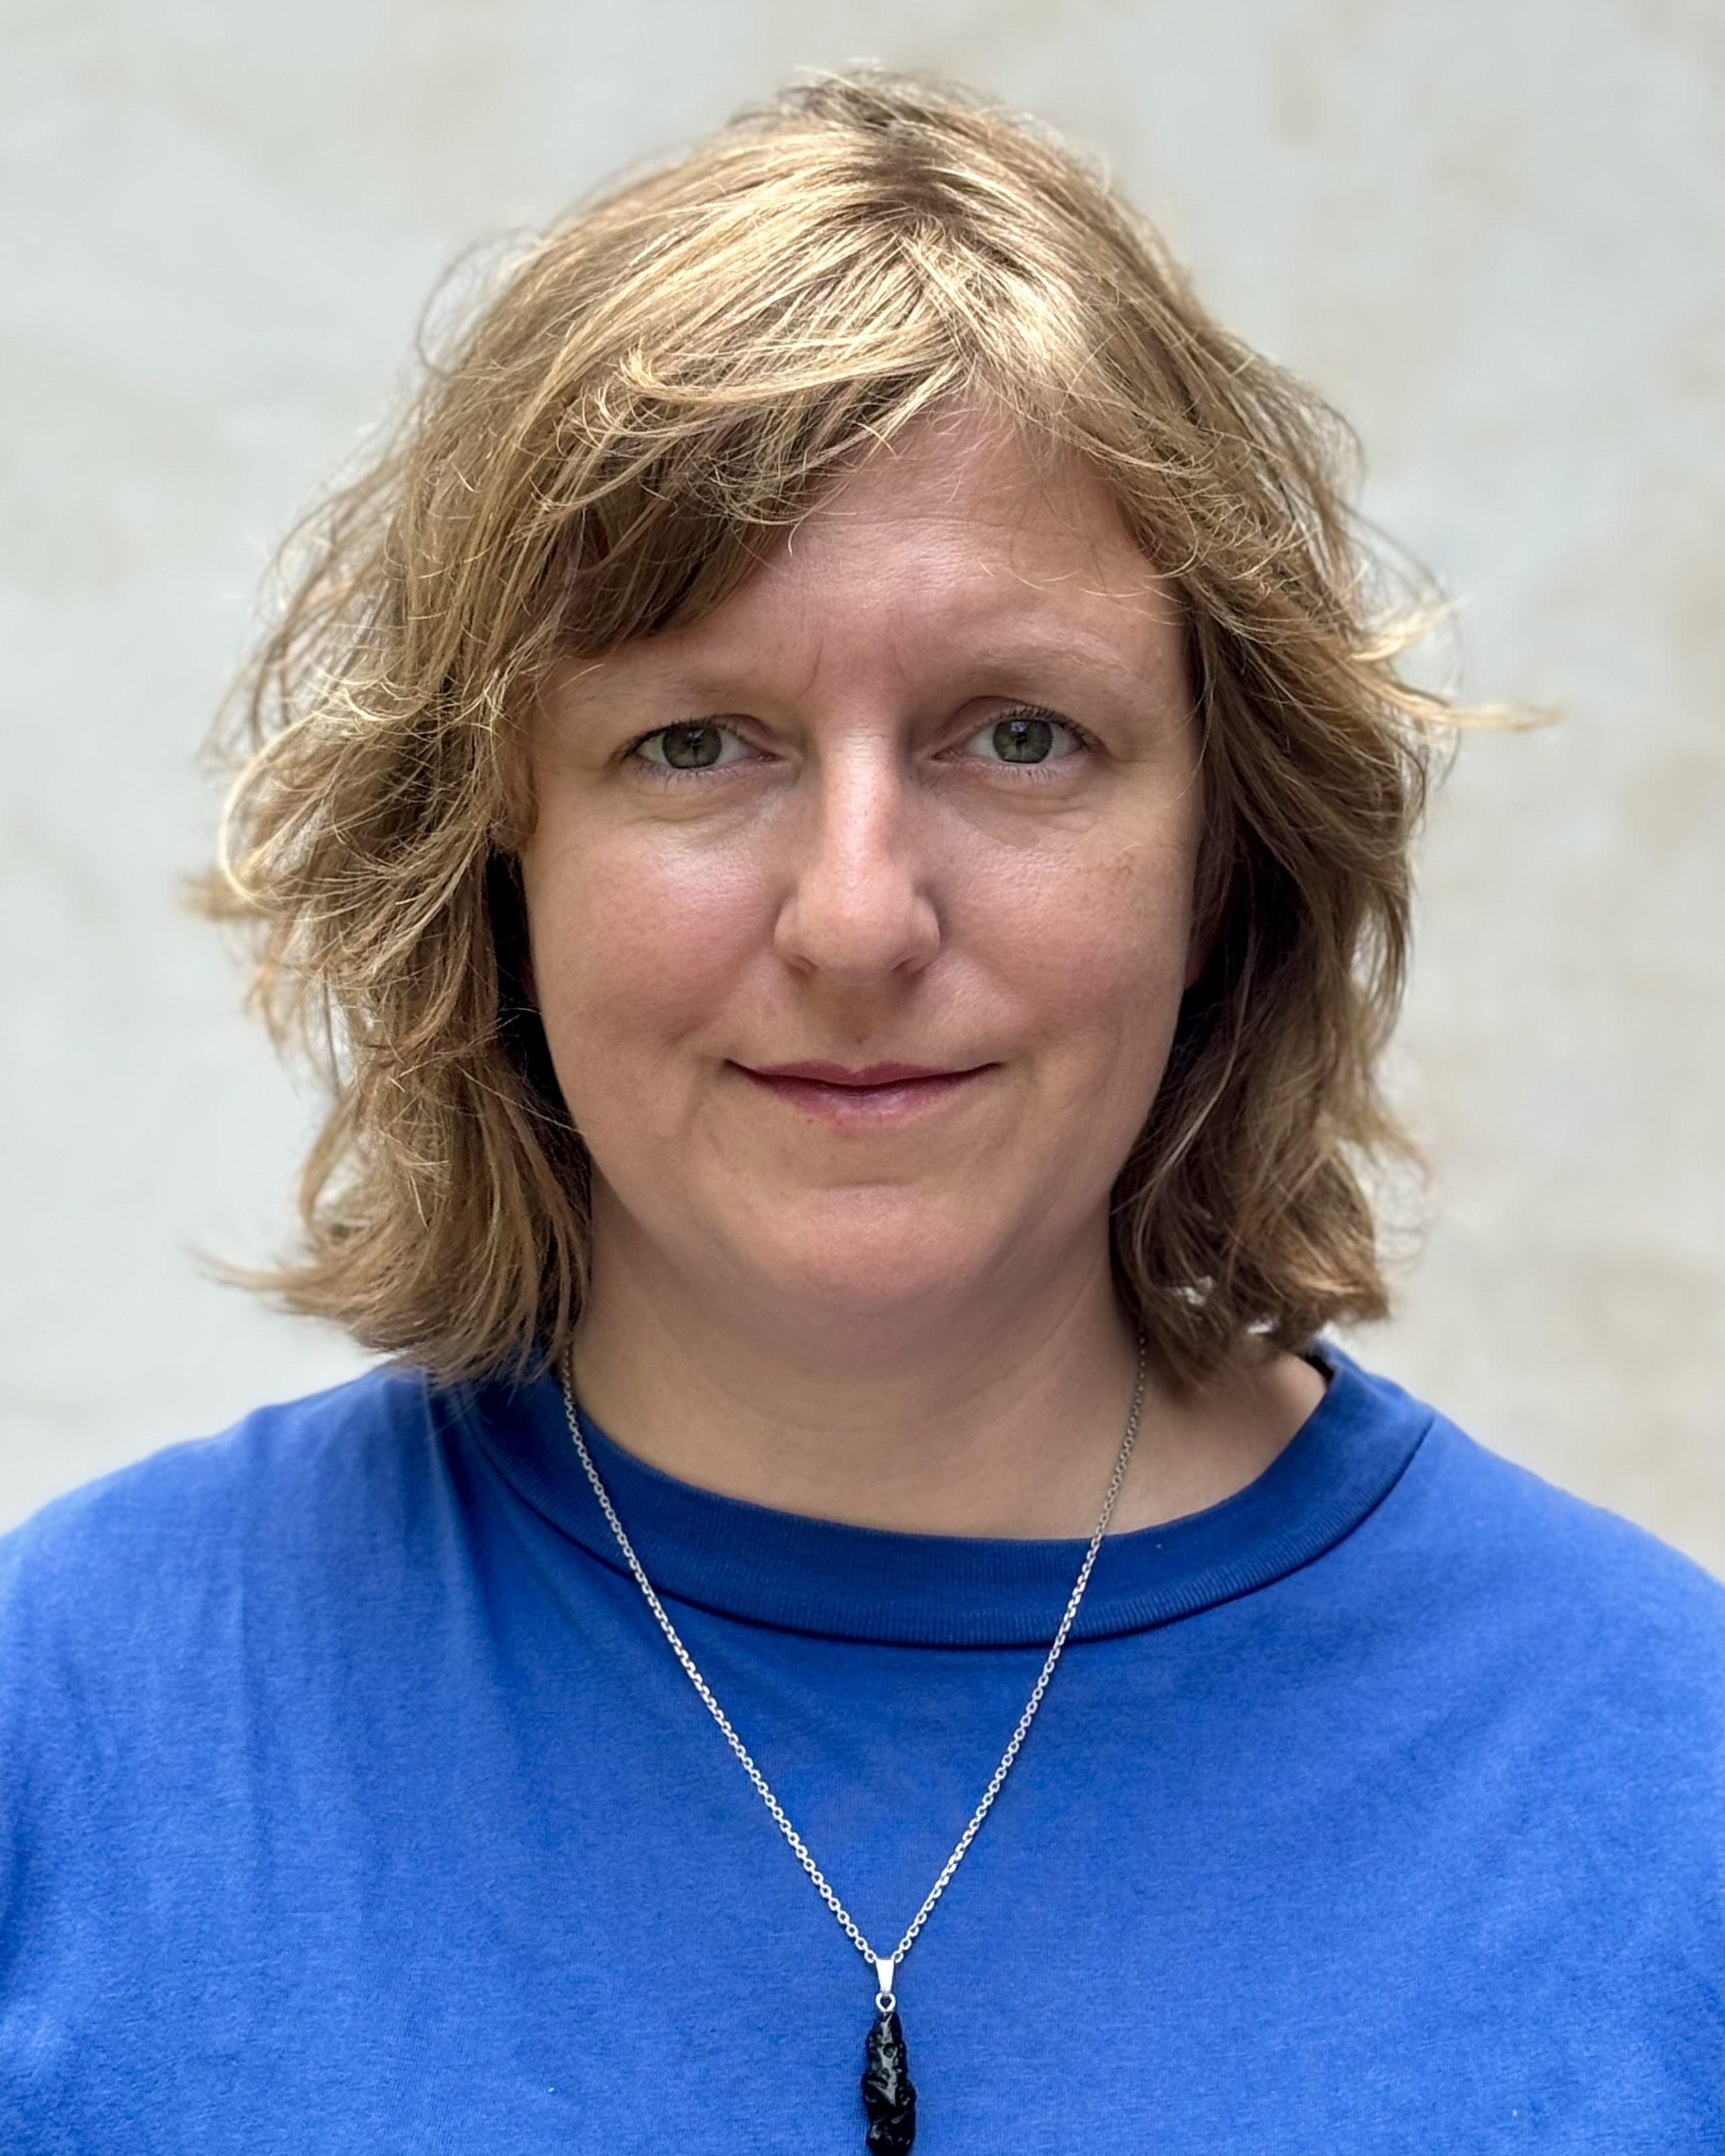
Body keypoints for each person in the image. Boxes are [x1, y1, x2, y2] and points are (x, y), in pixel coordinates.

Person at [2, 67, 1719, 2156]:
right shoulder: (76, 1733)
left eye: (1022, 734)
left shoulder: (1664, 1789)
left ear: (1227, 862)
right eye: (698, 739)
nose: (856, 911)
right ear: (493, 855)